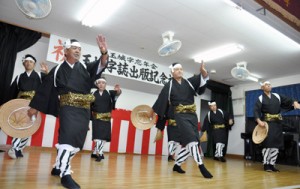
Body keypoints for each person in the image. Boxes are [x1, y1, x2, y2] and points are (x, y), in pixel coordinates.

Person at [27, 35, 109, 189]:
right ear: (65, 51)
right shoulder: (58, 69)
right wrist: (35, 107)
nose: (78, 51)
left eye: (79, 49)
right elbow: (45, 89)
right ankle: (65, 174)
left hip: (84, 110)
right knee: (67, 139)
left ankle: (58, 165)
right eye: (74, 48)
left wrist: (103, 52)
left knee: (78, 142)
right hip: (68, 109)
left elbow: (101, 64)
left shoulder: (84, 67)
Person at [150, 61, 213, 179]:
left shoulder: (188, 82)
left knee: (192, 143)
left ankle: (177, 165)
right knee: (192, 142)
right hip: (180, 116)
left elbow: (200, 80)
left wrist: (204, 74)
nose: (180, 71)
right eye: (177, 69)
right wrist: (152, 113)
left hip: (192, 116)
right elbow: (161, 102)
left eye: (181, 69)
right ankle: (201, 166)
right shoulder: (169, 86)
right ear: (172, 72)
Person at [7, 54, 48, 159]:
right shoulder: (19, 77)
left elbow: (49, 83)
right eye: (26, 61)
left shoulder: (39, 75)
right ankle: (14, 148)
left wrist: (46, 72)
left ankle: (19, 148)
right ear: (23, 64)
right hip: (20, 104)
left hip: (34, 105)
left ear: (34, 64)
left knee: (30, 127)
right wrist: (9, 105)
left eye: (30, 61)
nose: (28, 63)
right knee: (20, 125)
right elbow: (12, 91)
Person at [254, 81, 300, 172]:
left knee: (275, 146)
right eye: (267, 85)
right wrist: (259, 120)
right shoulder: (260, 98)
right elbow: (256, 110)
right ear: (262, 88)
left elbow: (288, 100)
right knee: (268, 145)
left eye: (270, 85)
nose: (269, 86)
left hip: (277, 124)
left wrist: (294, 102)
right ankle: (266, 164)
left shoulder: (277, 96)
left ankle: (272, 164)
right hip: (267, 125)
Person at [90, 77, 121, 162]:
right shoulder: (93, 94)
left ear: (105, 84)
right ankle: (99, 153)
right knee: (98, 136)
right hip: (96, 118)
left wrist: (118, 91)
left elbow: (116, 95)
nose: (101, 84)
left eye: (103, 83)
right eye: (99, 83)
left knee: (103, 137)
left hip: (106, 118)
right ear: (97, 84)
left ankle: (95, 152)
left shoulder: (110, 94)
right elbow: (89, 106)